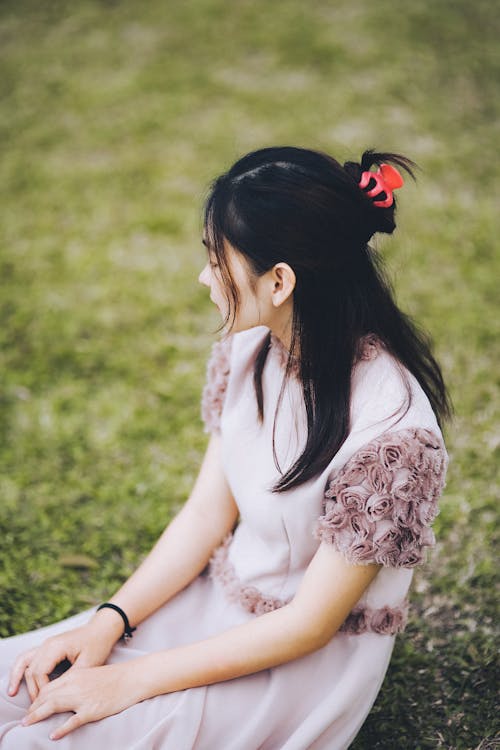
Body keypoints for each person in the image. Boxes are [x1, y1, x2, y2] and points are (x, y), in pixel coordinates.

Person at [0, 146, 451, 749]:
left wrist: (130, 682)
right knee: (20, 681)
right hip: (213, 605)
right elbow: (207, 514)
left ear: (280, 280)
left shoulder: (393, 435)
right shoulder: (253, 346)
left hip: (291, 664)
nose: (203, 277)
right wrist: (109, 622)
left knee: (42, 739)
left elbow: (309, 626)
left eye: (216, 261)